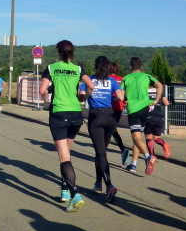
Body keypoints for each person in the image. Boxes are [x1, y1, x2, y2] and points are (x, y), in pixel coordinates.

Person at [39, 40, 94, 212]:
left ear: (58, 52)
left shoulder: (51, 68)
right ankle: (64, 190)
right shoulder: (78, 69)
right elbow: (91, 86)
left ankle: (74, 194)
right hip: (76, 115)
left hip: (59, 114)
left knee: (64, 157)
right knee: (67, 155)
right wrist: (83, 98)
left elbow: (42, 91)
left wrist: (52, 89)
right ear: (72, 53)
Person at [83, 56, 124, 203]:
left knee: (100, 153)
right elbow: (120, 97)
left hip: (96, 117)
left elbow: (81, 96)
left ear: (95, 66)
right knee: (101, 152)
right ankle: (98, 182)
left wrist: (88, 95)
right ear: (108, 67)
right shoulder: (112, 81)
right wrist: (111, 97)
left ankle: (109, 185)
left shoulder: (89, 80)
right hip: (110, 117)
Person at [121, 57, 162, 175]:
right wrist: (156, 100)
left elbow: (121, 95)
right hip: (145, 109)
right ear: (141, 67)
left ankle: (148, 156)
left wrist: (124, 99)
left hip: (133, 109)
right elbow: (159, 85)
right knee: (138, 137)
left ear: (130, 67)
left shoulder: (126, 78)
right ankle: (133, 163)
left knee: (136, 137)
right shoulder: (147, 76)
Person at [108, 62, 131, 166]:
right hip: (119, 107)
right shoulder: (122, 79)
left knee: (110, 130)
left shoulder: (106, 78)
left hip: (109, 106)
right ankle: (122, 150)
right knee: (112, 129)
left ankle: (122, 149)